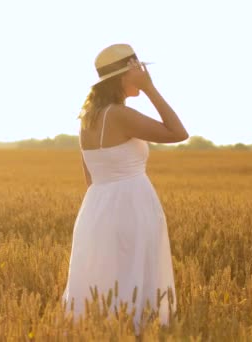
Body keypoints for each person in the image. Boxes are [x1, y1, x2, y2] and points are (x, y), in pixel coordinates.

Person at [61, 43, 188, 333]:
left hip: (96, 209)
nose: (143, 73)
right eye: (138, 70)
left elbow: (90, 178)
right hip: (132, 206)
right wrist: (152, 89)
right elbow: (178, 133)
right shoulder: (118, 115)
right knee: (134, 279)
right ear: (122, 77)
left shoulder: (89, 118)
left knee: (106, 282)